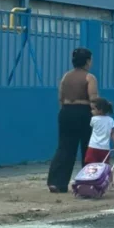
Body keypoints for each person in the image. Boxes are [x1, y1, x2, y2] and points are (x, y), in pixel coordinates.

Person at [47, 47, 99, 192]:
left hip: (66, 112)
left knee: (64, 147)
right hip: (83, 112)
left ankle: (56, 182)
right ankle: (88, 181)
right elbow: (93, 98)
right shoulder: (89, 77)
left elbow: (60, 98)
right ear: (88, 61)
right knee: (88, 148)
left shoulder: (66, 76)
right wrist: (97, 116)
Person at [84, 98, 114, 164]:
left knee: (90, 165)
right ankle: (108, 174)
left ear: (100, 110)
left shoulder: (93, 119)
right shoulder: (110, 120)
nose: (91, 111)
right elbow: (113, 133)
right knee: (105, 165)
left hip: (93, 147)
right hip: (105, 148)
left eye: (93, 109)